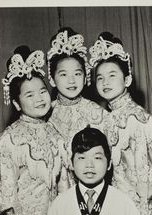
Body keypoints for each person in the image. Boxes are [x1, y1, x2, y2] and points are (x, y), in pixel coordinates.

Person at [89, 32, 152, 215]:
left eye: (112, 75)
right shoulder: (103, 119)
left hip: (142, 214)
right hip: (118, 208)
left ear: (127, 79)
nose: (105, 82)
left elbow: (147, 172)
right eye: (100, 77)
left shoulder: (139, 120)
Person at [0, 45, 64, 215]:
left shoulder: (54, 133)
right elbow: (6, 187)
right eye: (29, 95)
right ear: (16, 103)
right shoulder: (9, 139)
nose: (39, 99)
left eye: (42, 91)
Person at [46, 126, 151, 215]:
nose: (89, 164)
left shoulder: (123, 203)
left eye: (97, 157)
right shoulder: (60, 204)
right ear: (71, 163)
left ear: (109, 164)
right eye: (81, 157)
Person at [46, 27, 108, 192]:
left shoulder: (99, 114)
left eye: (77, 74)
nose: (71, 81)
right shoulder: (44, 115)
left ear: (86, 76)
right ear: (52, 79)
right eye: (64, 75)